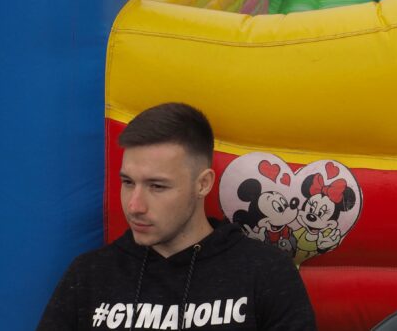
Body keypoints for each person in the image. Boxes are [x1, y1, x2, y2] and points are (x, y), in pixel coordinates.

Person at [38, 103, 317, 330]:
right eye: (127, 182)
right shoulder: (90, 275)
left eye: (157, 186)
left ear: (203, 184)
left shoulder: (265, 272)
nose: (135, 205)